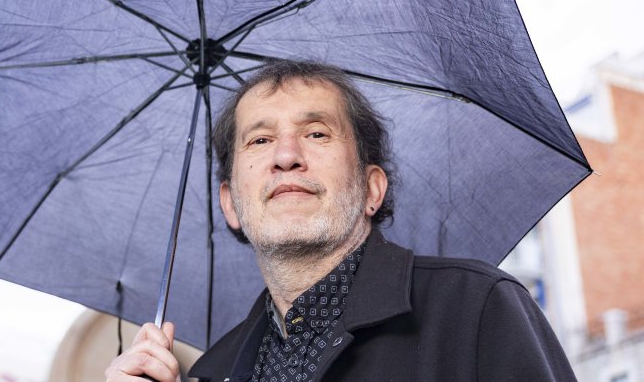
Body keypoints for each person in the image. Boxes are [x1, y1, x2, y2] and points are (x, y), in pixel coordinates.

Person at [105, 59, 576, 382]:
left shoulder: (477, 309)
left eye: (316, 133)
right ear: (230, 205)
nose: (287, 156)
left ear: (372, 189)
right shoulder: (211, 371)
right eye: (260, 141)